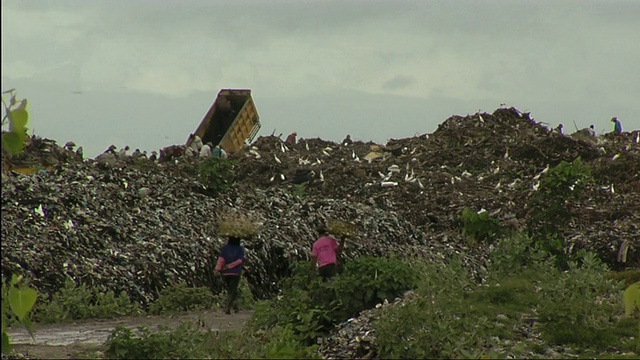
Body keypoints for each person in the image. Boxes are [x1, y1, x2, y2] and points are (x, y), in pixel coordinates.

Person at [215, 236, 245, 314]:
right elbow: (239, 261)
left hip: (226, 273)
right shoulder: (240, 249)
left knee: (231, 290)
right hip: (235, 272)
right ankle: (227, 307)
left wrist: (217, 269)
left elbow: (221, 260)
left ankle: (235, 307)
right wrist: (230, 266)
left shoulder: (225, 248)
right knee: (232, 291)